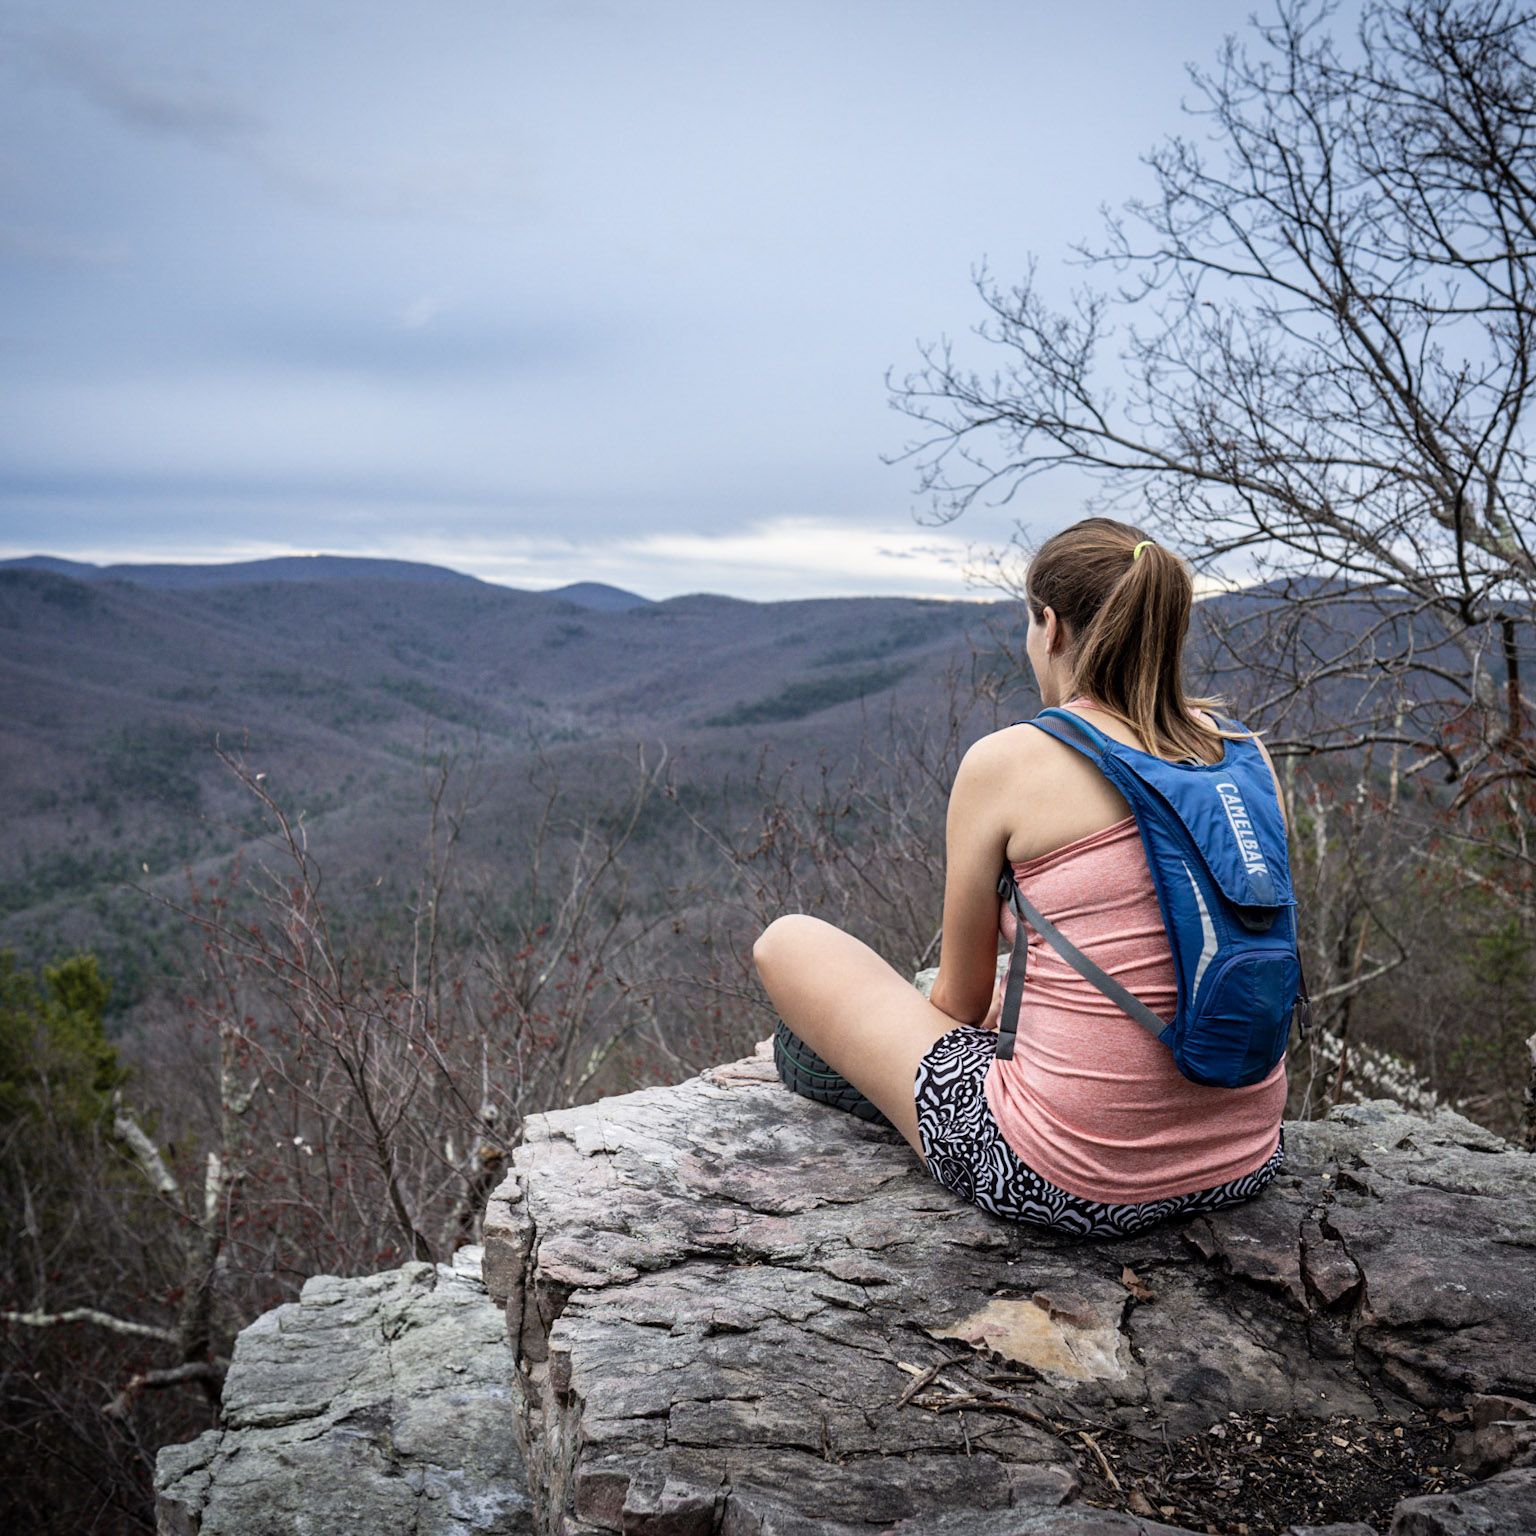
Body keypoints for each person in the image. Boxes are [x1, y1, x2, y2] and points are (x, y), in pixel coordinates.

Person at [753, 517, 1289, 1236]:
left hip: (1067, 1176)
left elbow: (960, 1000)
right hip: (1243, 1157)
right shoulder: (1242, 756)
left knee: (786, 942)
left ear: (1050, 626)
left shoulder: (1011, 761)